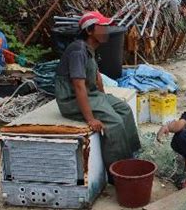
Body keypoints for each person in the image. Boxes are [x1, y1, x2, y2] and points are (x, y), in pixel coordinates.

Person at [55, 11, 141, 183]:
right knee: (114, 122)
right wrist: (90, 119)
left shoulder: (90, 48)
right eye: (103, 27)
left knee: (124, 109)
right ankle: (118, 173)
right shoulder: (78, 51)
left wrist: (104, 97)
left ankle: (132, 155)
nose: (107, 30)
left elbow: (96, 76)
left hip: (91, 94)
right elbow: (78, 85)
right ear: (89, 31)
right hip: (71, 99)